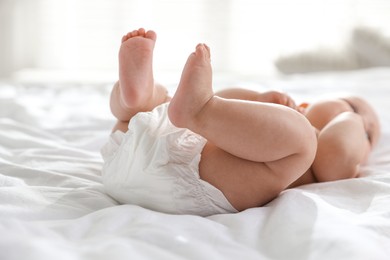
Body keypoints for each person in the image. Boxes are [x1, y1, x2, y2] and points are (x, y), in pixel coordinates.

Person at [101, 28, 380, 216]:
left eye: (367, 134)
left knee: (302, 138)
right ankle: (137, 100)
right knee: (161, 102)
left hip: (167, 176)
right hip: (154, 145)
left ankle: (146, 105)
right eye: (354, 108)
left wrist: (351, 117)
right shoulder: (269, 119)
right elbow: (225, 107)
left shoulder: (317, 149)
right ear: (308, 104)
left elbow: (335, 160)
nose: (360, 124)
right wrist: (260, 99)